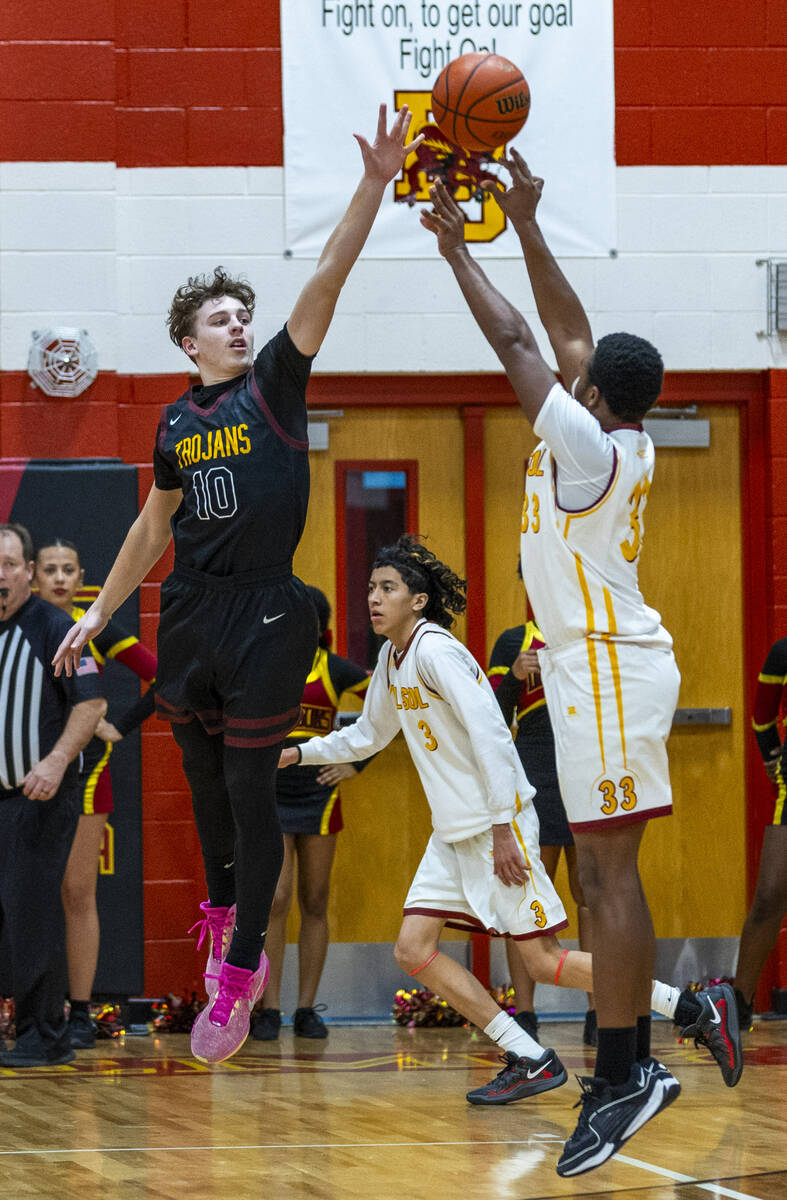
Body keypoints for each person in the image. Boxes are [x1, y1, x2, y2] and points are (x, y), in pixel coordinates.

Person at [52, 104, 423, 1066]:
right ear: (187, 343)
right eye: (220, 318)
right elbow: (150, 528)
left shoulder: (274, 387)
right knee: (207, 787)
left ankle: (239, 970)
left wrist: (373, 184)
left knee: (253, 791)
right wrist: (96, 614)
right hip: (193, 612)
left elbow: (327, 281)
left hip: (267, 607)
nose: (238, 323)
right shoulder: (174, 424)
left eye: (241, 315)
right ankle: (226, 923)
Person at [420, 159, 742, 1175]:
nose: (570, 363)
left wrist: (454, 249)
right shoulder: (610, 429)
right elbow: (565, 335)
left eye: (583, 368)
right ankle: (628, 1065)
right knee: (601, 872)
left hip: (605, 666)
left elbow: (522, 338)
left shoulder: (585, 448)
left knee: (604, 875)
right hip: (594, 665)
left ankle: (625, 1072)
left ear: (591, 392)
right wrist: (523, 222)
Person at [279, 536, 739, 1109]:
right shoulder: (391, 659)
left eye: (387, 588)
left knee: (544, 962)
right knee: (412, 948)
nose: (374, 598)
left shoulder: (437, 652)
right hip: (453, 832)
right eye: (371, 588)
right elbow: (368, 735)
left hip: (497, 823)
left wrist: (503, 829)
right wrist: (297, 752)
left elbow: (494, 736)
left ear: (418, 601)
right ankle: (527, 1054)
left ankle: (693, 1007)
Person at [34, 538, 157, 1050]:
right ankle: (26, 1009)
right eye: (50, 570)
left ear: (82, 575)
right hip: (26, 776)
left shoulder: (94, 628)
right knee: (24, 895)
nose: (60, 578)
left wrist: (117, 725)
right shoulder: (21, 627)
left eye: (69, 569)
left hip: (87, 776)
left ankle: (80, 1011)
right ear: (33, 577)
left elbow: (163, 675)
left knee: (76, 893)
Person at [0, 524, 105, 1068]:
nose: (0, 574)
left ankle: (46, 1035)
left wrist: (56, 759)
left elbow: (90, 705)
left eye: (9, 564)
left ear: (27, 573)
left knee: (32, 915)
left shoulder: (55, 628)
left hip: (37, 799)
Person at [252, 585, 370, 1042]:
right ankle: (269, 1008)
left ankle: (306, 1009)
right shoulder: (262, 663)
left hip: (319, 797)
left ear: (320, 627)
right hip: (271, 793)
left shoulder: (336, 669)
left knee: (314, 900)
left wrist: (356, 761)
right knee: (275, 900)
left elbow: (391, 701)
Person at [488, 605, 595, 1045]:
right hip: (533, 767)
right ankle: (525, 1013)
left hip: (586, 767)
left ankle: (598, 1009)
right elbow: (490, 718)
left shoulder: (591, 635)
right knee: (528, 892)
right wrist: (513, 676)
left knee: (591, 890)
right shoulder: (513, 641)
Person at [738, 636, 787, 1025]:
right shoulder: (783, 650)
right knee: (769, 896)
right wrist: (773, 757)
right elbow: (761, 720)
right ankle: (737, 1006)